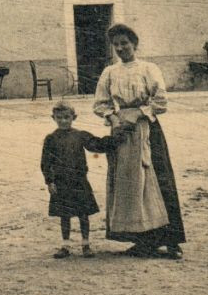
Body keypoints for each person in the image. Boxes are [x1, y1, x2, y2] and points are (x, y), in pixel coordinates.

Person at [93, 23, 186, 259]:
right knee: (128, 184)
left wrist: (139, 114)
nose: (121, 48)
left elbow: (161, 100)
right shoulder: (110, 72)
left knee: (155, 179)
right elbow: (101, 103)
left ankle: (170, 240)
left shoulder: (148, 68)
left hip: (146, 127)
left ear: (134, 44)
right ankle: (140, 241)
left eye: (125, 43)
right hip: (122, 133)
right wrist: (114, 119)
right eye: (116, 45)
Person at [41, 101, 131, 258]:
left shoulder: (80, 136)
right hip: (61, 183)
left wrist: (117, 137)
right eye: (59, 117)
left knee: (83, 214)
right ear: (53, 118)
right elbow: (45, 163)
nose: (63, 121)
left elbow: (98, 145)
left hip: (79, 181)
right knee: (65, 216)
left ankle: (86, 245)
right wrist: (50, 181)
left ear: (73, 117)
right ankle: (65, 246)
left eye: (67, 117)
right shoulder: (50, 139)